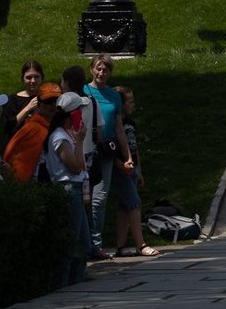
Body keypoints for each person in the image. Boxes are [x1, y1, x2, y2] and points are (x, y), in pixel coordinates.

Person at [83, 55, 135, 258]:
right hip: (86, 150)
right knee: (84, 198)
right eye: (98, 69)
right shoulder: (84, 92)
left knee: (99, 198)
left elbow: (119, 129)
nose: (101, 73)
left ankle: (96, 244)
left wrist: (127, 155)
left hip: (106, 152)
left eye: (105, 70)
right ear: (91, 69)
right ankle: (86, 242)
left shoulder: (114, 97)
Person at [48, 91, 93, 286]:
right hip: (68, 189)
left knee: (84, 242)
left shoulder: (68, 134)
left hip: (75, 188)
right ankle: (63, 283)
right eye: (80, 110)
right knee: (72, 239)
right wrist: (81, 140)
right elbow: (74, 166)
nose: (82, 114)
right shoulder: (60, 137)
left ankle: (77, 281)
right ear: (71, 114)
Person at [108, 86, 157, 257]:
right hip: (121, 169)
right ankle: (140, 244)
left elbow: (135, 147)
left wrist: (139, 170)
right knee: (134, 204)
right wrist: (120, 165)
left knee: (124, 207)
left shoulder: (131, 123)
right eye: (130, 102)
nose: (133, 105)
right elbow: (110, 149)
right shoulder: (114, 124)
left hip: (133, 168)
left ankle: (120, 246)